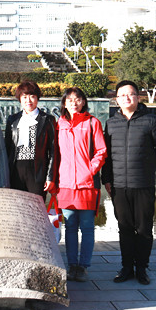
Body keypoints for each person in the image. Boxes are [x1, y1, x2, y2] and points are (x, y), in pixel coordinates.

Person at [102, 80, 156, 285]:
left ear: (138, 97)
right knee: (124, 227)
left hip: (143, 184)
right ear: (116, 99)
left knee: (143, 228)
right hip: (119, 186)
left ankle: (141, 267)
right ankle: (126, 267)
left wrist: (148, 168)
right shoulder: (111, 123)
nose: (126, 98)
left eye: (130, 94)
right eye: (122, 95)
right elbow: (106, 155)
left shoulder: (151, 120)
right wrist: (107, 179)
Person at [54, 87, 107, 282]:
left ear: (83, 102)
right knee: (69, 227)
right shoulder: (59, 124)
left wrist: (90, 170)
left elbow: (101, 150)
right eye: (69, 99)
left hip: (87, 185)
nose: (73, 103)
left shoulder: (92, 122)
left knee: (87, 227)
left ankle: (83, 266)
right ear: (64, 103)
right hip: (66, 184)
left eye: (77, 99)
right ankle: (72, 265)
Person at [4, 80, 56, 198]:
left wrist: (50, 177)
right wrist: (5, 176)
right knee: (17, 206)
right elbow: (7, 148)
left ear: (37, 98)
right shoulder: (13, 120)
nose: (28, 100)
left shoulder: (47, 119)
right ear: (19, 99)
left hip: (37, 171)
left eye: (32, 96)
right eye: (24, 97)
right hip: (16, 171)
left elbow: (53, 150)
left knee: (36, 206)